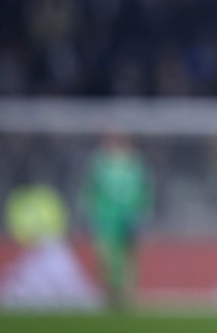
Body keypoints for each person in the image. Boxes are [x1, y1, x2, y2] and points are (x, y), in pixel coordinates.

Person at [82, 132, 153, 310]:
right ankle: (108, 293)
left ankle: (128, 294)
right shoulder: (100, 163)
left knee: (129, 256)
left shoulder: (135, 163)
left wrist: (143, 211)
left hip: (129, 215)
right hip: (106, 216)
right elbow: (91, 190)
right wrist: (92, 212)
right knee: (104, 254)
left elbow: (145, 189)